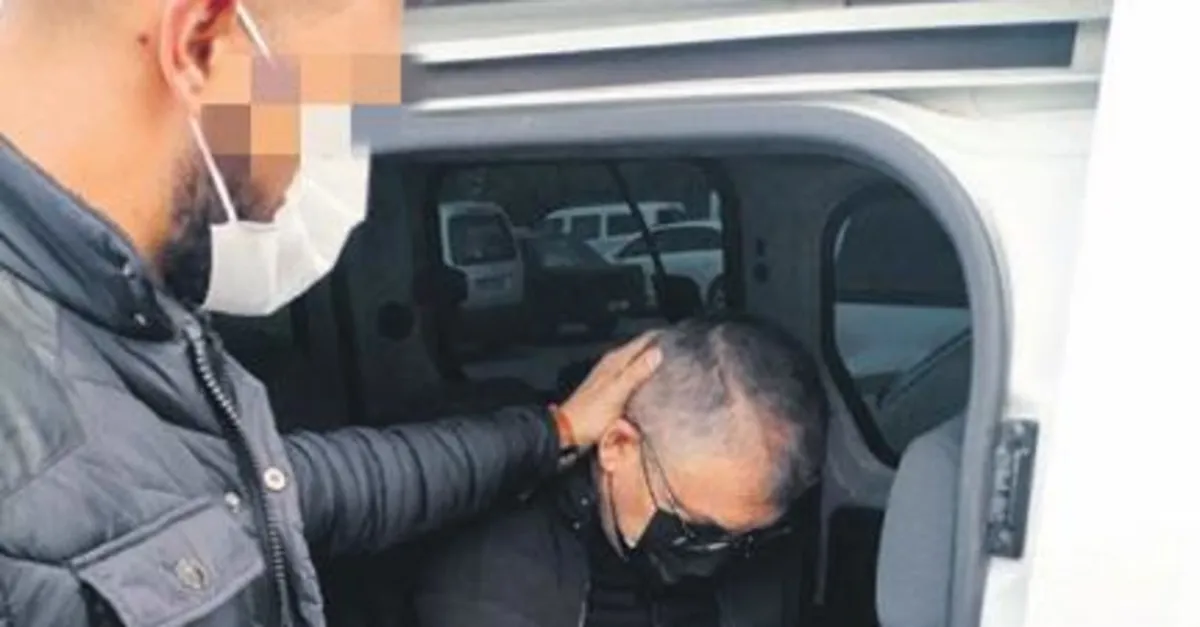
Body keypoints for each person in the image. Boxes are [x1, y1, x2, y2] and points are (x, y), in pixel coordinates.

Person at [0, 1, 660, 626]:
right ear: (201, 46)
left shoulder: (136, 331)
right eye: (335, 105)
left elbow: (301, 488)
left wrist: (555, 430)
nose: (336, 164)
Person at [412, 315, 830, 627]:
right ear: (618, 446)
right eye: (695, 531)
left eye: (748, 538)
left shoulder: (758, 551)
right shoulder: (492, 590)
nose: (714, 560)